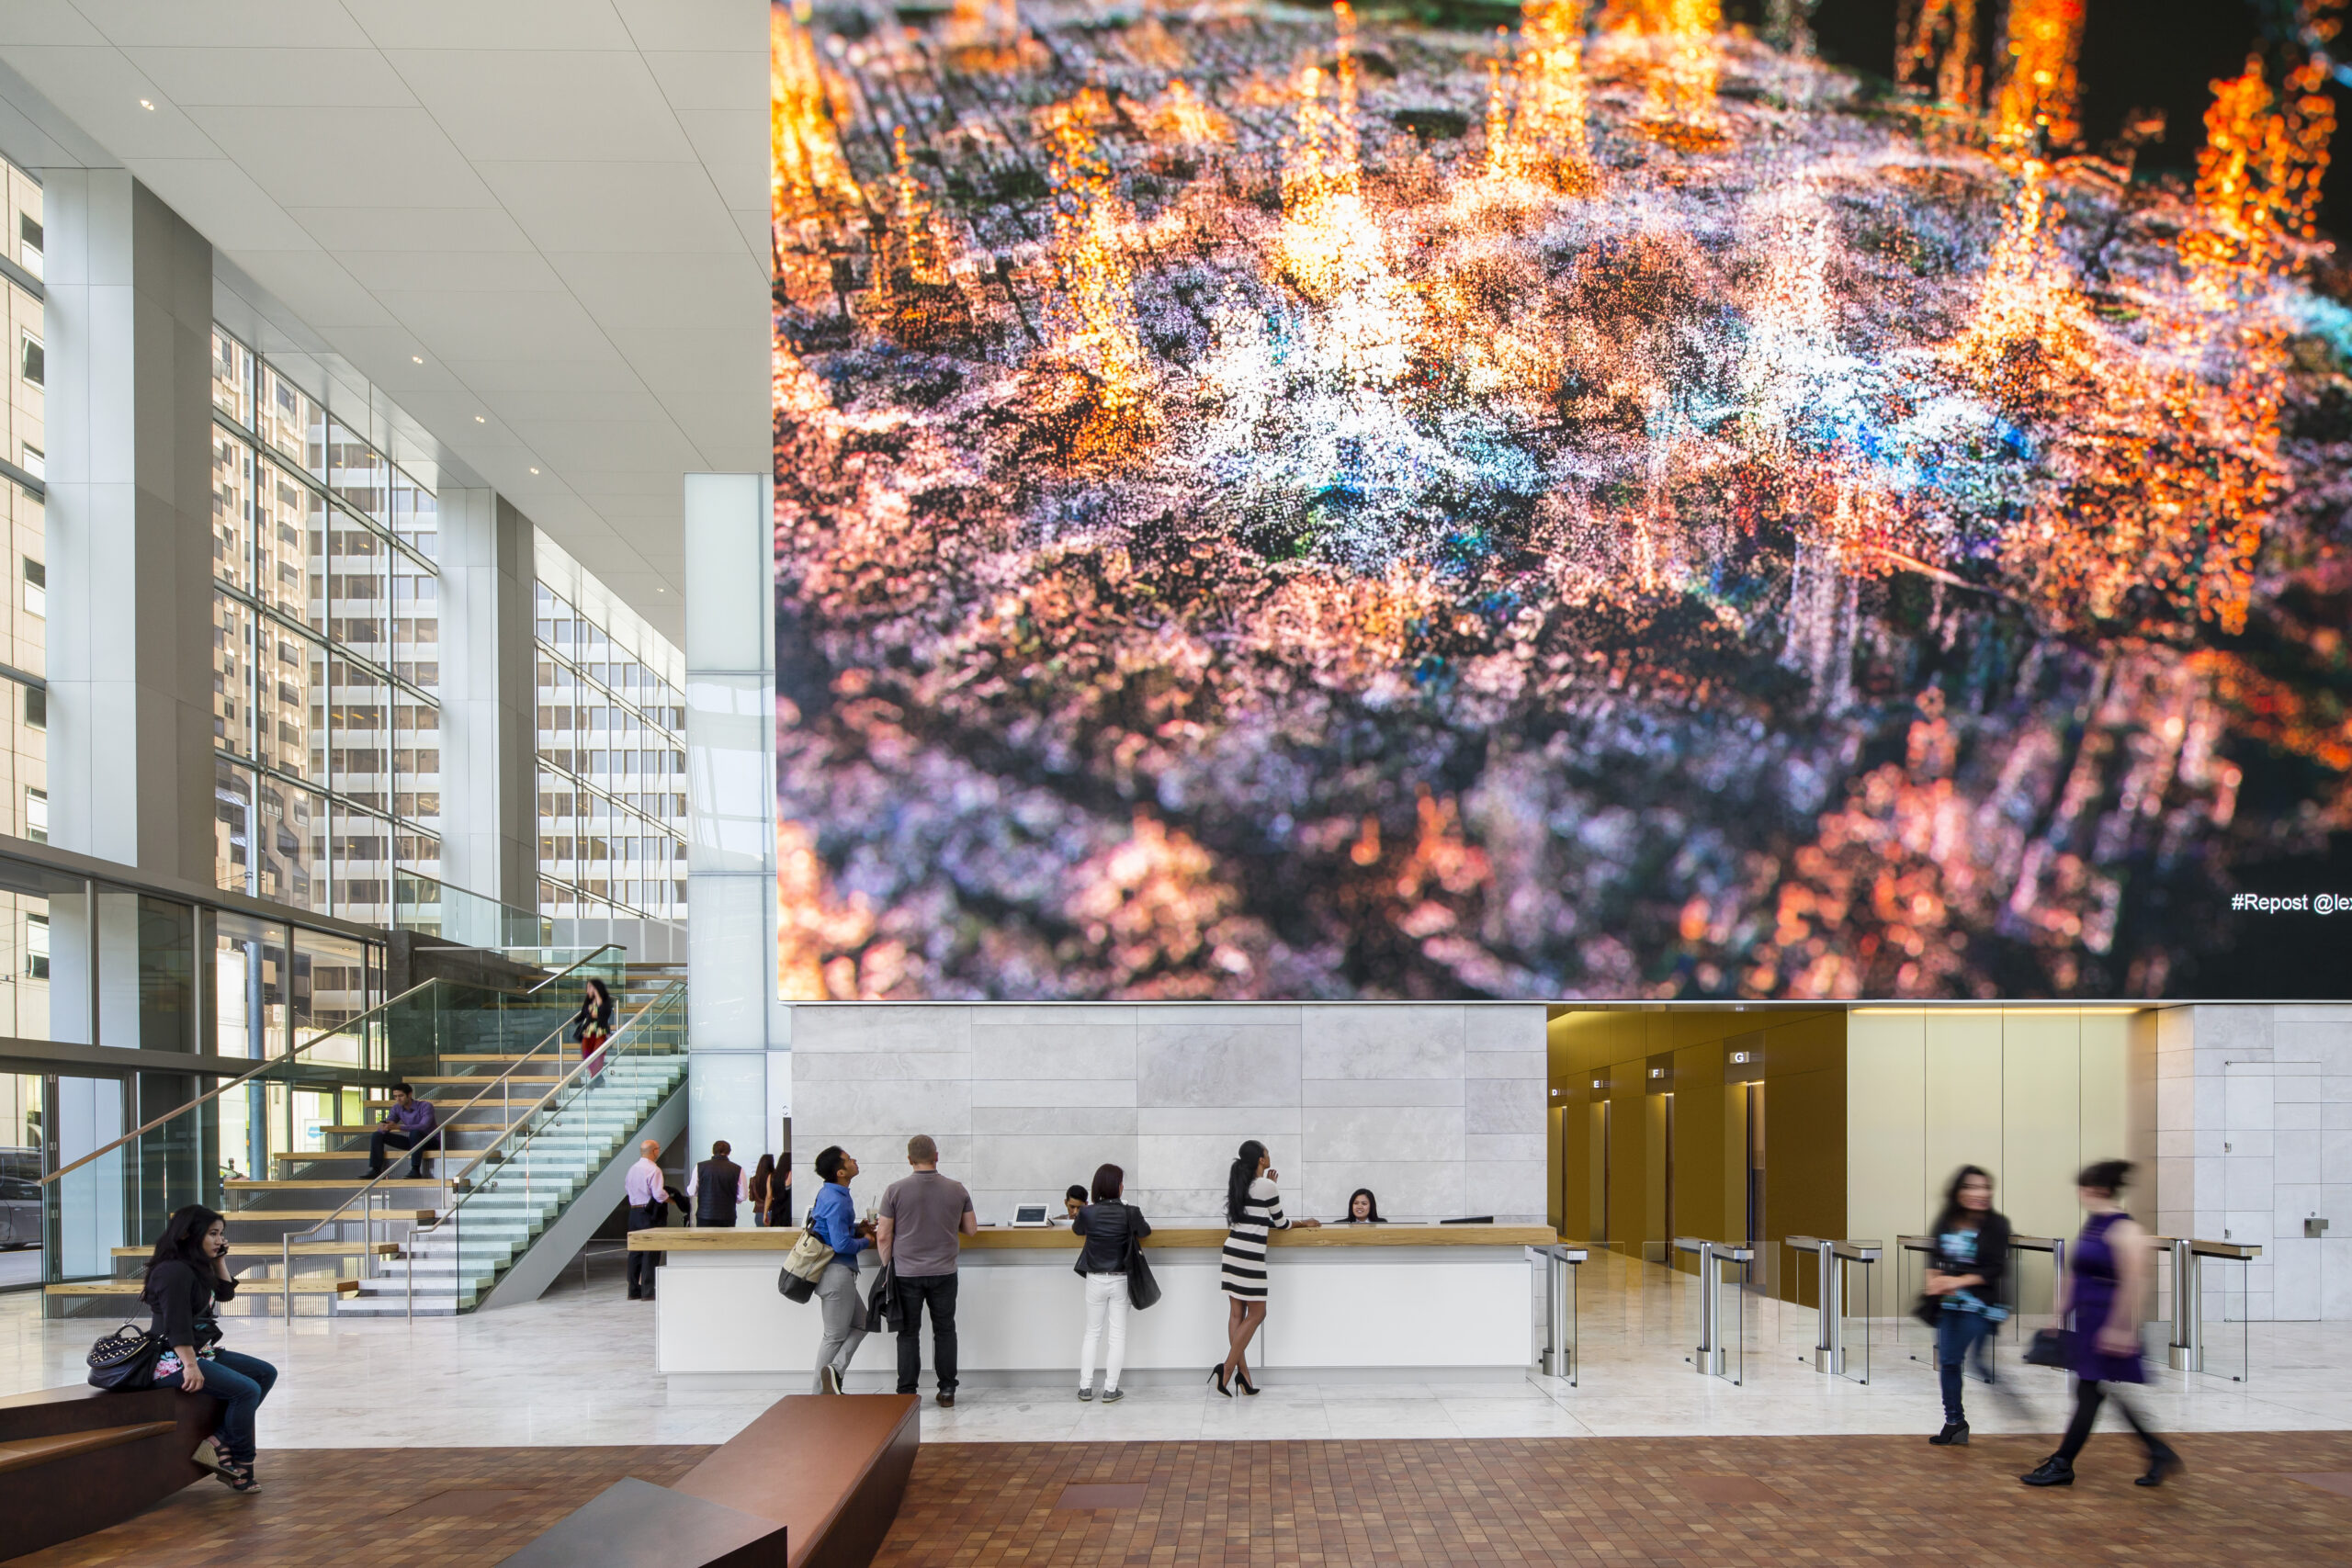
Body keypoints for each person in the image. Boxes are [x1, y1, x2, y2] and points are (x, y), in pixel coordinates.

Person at [2021, 1159, 2182, 1489]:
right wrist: (2059, 1313)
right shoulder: (2094, 1225)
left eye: (2083, 1188)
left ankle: (2064, 1462)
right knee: (2093, 1390)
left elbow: (2135, 1282)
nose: (2080, 1194)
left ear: (2097, 1189)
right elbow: (2075, 1274)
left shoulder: (2126, 1230)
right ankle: (2156, 1451)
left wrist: (2123, 1327)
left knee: (2089, 1391)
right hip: (2089, 1321)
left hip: (2108, 1322)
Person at [142, 1204, 276, 1494]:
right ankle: (240, 1464)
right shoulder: (172, 1272)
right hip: (170, 1358)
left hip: (200, 1351)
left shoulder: (195, 1266)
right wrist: (190, 1365)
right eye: (213, 1234)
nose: (219, 1240)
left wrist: (219, 1259)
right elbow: (176, 1324)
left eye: (221, 1234)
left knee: (264, 1373)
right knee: (247, 1389)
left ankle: (217, 1443)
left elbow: (225, 1294)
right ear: (190, 1234)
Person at [876, 1134, 978, 1407]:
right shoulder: (957, 1189)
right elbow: (971, 1229)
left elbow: (884, 1235)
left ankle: (907, 1393)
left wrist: (887, 1267)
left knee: (908, 1332)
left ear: (909, 1160)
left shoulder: (894, 1190)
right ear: (937, 1156)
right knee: (945, 1329)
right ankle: (947, 1390)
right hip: (944, 1271)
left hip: (906, 1272)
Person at [1215, 1139, 1318, 1396]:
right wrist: (1304, 1223)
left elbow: (1257, 1217)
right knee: (1258, 1314)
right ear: (1261, 1159)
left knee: (1237, 1314)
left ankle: (1244, 1377)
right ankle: (1227, 1370)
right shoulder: (1267, 1185)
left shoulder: (1240, 1183)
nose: (1269, 1155)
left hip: (1232, 1251)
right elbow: (1281, 1223)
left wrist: (1270, 1186)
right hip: (1250, 1255)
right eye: (1267, 1152)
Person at [1925, 1164, 2014, 1445]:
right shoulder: (1947, 1220)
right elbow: (1935, 1255)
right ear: (1959, 1192)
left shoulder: (1997, 1224)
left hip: (1981, 1305)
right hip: (1950, 1305)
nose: (1981, 1193)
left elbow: (1994, 1269)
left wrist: (1955, 1282)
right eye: (1972, 1187)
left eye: (1985, 1187)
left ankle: (2009, 1397)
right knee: (1949, 1362)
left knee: (1971, 1360)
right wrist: (1934, 1280)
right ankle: (1954, 1422)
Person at [1073, 1162, 1149, 1404]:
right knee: (1117, 1336)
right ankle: (1110, 1389)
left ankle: (1085, 1388)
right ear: (1119, 1187)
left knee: (1091, 1333)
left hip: (1095, 1279)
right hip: (1121, 1280)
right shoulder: (1131, 1212)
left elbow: (1077, 1230)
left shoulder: (1087, 1212)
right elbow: (1145, 1232)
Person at [808, 1145, 874, 1393]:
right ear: (841, 1173)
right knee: (834, 1336)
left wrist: (857, 1228)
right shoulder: (836, 1199)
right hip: (835, 1273)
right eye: (848, 1159)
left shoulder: (832, 1193)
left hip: (836, 1273)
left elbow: (833, 1231)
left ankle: (834, 1371)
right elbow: (841, 1244)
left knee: (863, 1323)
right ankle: (818, 1394)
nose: (854, 1160)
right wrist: (866, 1241)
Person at [624, 1138, 685, 1301]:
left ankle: (633, 1290)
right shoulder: (654, 1170)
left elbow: (627, 1189)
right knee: (650, 1252)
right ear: (654, 1151)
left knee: (635, 1252)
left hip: (634, 1212)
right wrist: (672, 1200)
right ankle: (648, 1290)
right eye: (658, 1149)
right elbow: (658, 1194)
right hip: (649, 1213)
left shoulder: (632, 1169)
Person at [366, 1084, 439, 1179]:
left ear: (410, 1094)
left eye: (401, 1096)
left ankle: (415, 1170)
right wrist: (384, 1126)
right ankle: (375, 1170)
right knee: (377, 1135)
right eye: (395, 1096)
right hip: (414, 1142)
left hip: (431, 1141)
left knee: (415, 1132)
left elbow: (423, 1126)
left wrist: (398, 1127)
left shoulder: (425, 1106)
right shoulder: (397, 1108)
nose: (398, 1099)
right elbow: (390, 1122)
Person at [688, 1140, 747, 1228]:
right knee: (726, 1241)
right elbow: (743, 1195)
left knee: (704, 1241)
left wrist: (703, 1195)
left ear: (713, 1151)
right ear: (729, 1152)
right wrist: (731, 1199)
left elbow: (692, 1191)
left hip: (705, 1215)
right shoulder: (738, 1169)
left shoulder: (700, 1166)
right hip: (727, 1215)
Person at [571, 977, 616, 1083]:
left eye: (590, 987)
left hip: (601, 1031)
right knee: (586, 1054)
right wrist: (575, 1021)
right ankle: (597, 1077)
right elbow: (583, 1013)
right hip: (588, 1031)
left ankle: (595, 1078)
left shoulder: (605, 1000)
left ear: (596, 988)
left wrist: (597, 995)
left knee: (597, 1053)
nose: (588, 990)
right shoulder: (588, 1000)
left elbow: (604, 1012)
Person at [750, 1153, 779, 1226]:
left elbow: (751, 1198)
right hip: (772, 1210)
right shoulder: (774, 1178)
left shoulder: (753, 1180)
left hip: (759, 1213)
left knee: (761, 1236)